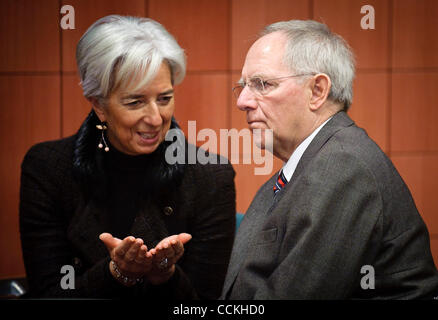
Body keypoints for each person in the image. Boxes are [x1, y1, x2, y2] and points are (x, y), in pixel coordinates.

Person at [19, 15, 236, 299]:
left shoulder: (211, 176)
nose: (156, 118)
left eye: (164, 98)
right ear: (99, 105)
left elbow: (204, 302)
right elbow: (49, 293)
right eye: (135, 102)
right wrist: (115, 275)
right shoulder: (47, 169)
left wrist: (166, 277)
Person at [221, 20, 438, 299]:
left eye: (262, 84)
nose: (243, 101)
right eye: (244, 86)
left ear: (317, 91)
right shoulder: (314, 164)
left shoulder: (343, 167)